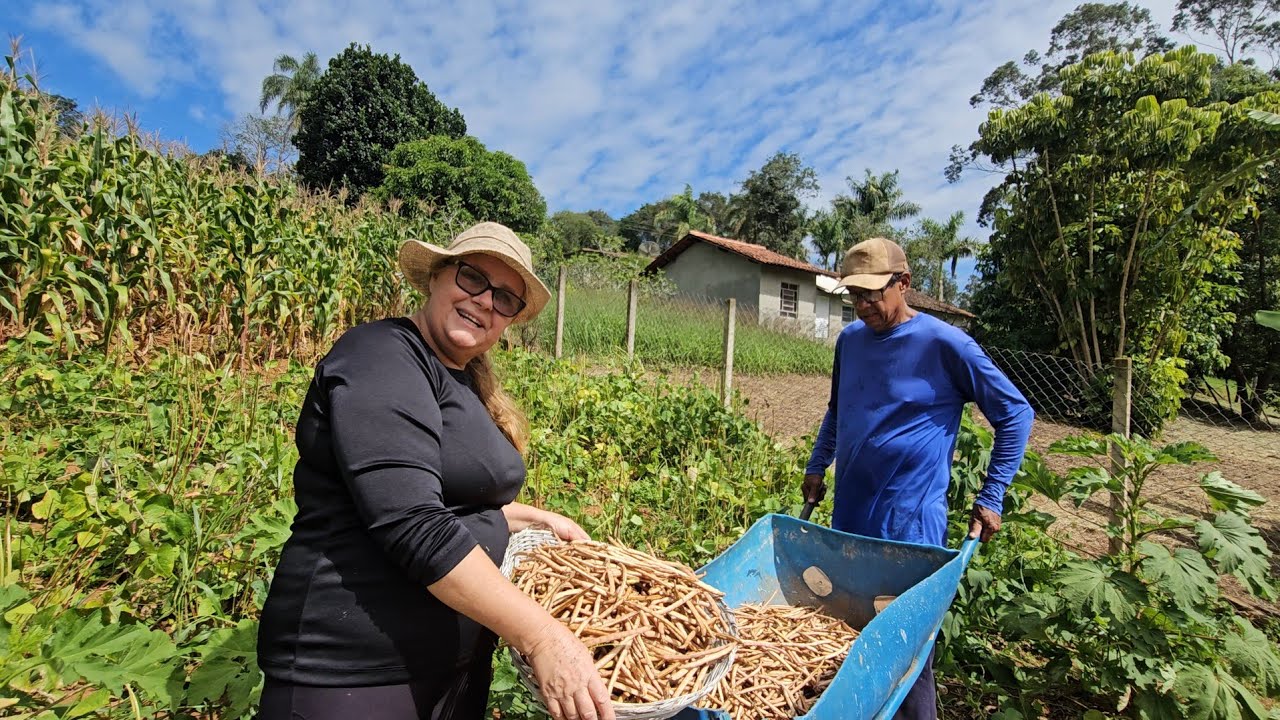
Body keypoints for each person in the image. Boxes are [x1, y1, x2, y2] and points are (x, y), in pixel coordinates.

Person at [257, 222, 615, 720]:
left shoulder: (465, 382)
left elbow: (452, 498)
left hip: (450, 672)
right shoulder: (380, 356)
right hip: (355, 676)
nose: (487, 301)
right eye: (473, 278)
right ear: (437, 278)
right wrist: (542, 636)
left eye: (506, 299)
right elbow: (411, 520)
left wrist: (533, 519)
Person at [801, 237, 1034, 720]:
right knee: (843, 640)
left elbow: (1015, 414)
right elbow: (837, 410)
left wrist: (992, 496)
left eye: (871, 294)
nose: (862, 305)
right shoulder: (851, 342)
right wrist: (816, 465)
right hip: (849, 519)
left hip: (908, 530)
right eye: (853, 296)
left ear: (903, 284)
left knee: (906, 651)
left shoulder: (944, 344)